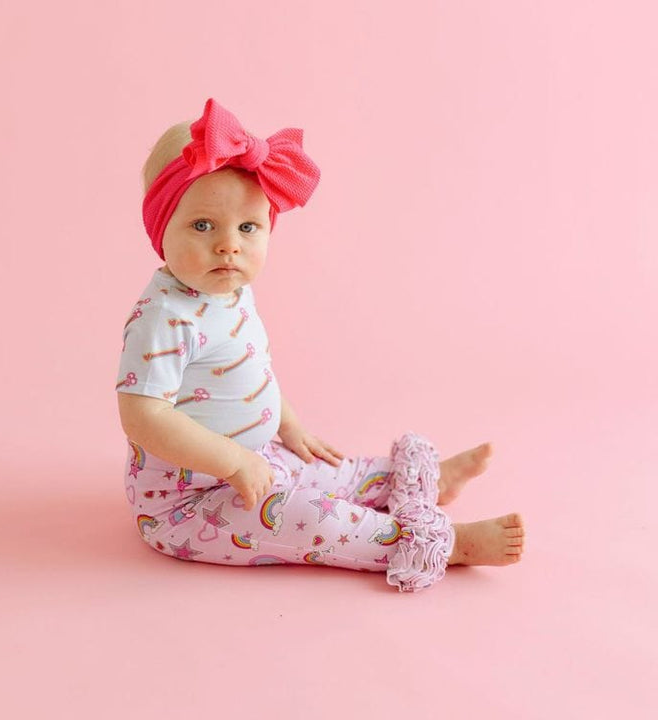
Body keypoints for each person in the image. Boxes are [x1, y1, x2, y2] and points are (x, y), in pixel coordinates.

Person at [115, 98, 525, 592]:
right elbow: (144, 416)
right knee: (312, 518)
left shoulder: (229, 290)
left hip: (256, 457)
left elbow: (251, 369)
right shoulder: (164, 317)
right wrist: (233, 462)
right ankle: (443, 544)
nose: (229, 245)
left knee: (327, 470)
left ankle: (416, 479)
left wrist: (287, 424)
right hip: (191, 502)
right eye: (203, 226)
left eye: (248, 227)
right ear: (161, 227)